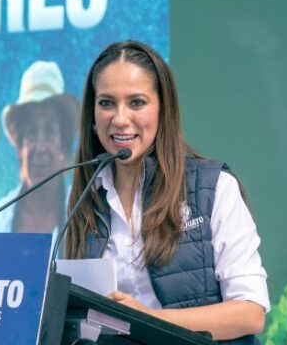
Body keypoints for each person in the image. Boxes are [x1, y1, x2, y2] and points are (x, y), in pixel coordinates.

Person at [63, 41, 269, 342]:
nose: (120, 119)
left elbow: (250, 313)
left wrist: (145, 320)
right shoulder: (85, 198)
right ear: (92, 115)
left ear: (163, 109)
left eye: (136, 102)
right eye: (106, 103)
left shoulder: (213, 187)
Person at [0, 61, 78, 234]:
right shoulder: (1, 219)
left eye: (50, 131)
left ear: (63, 147)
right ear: (19, 147)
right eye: (31, 132)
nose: (40, 148)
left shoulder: (82, 214)